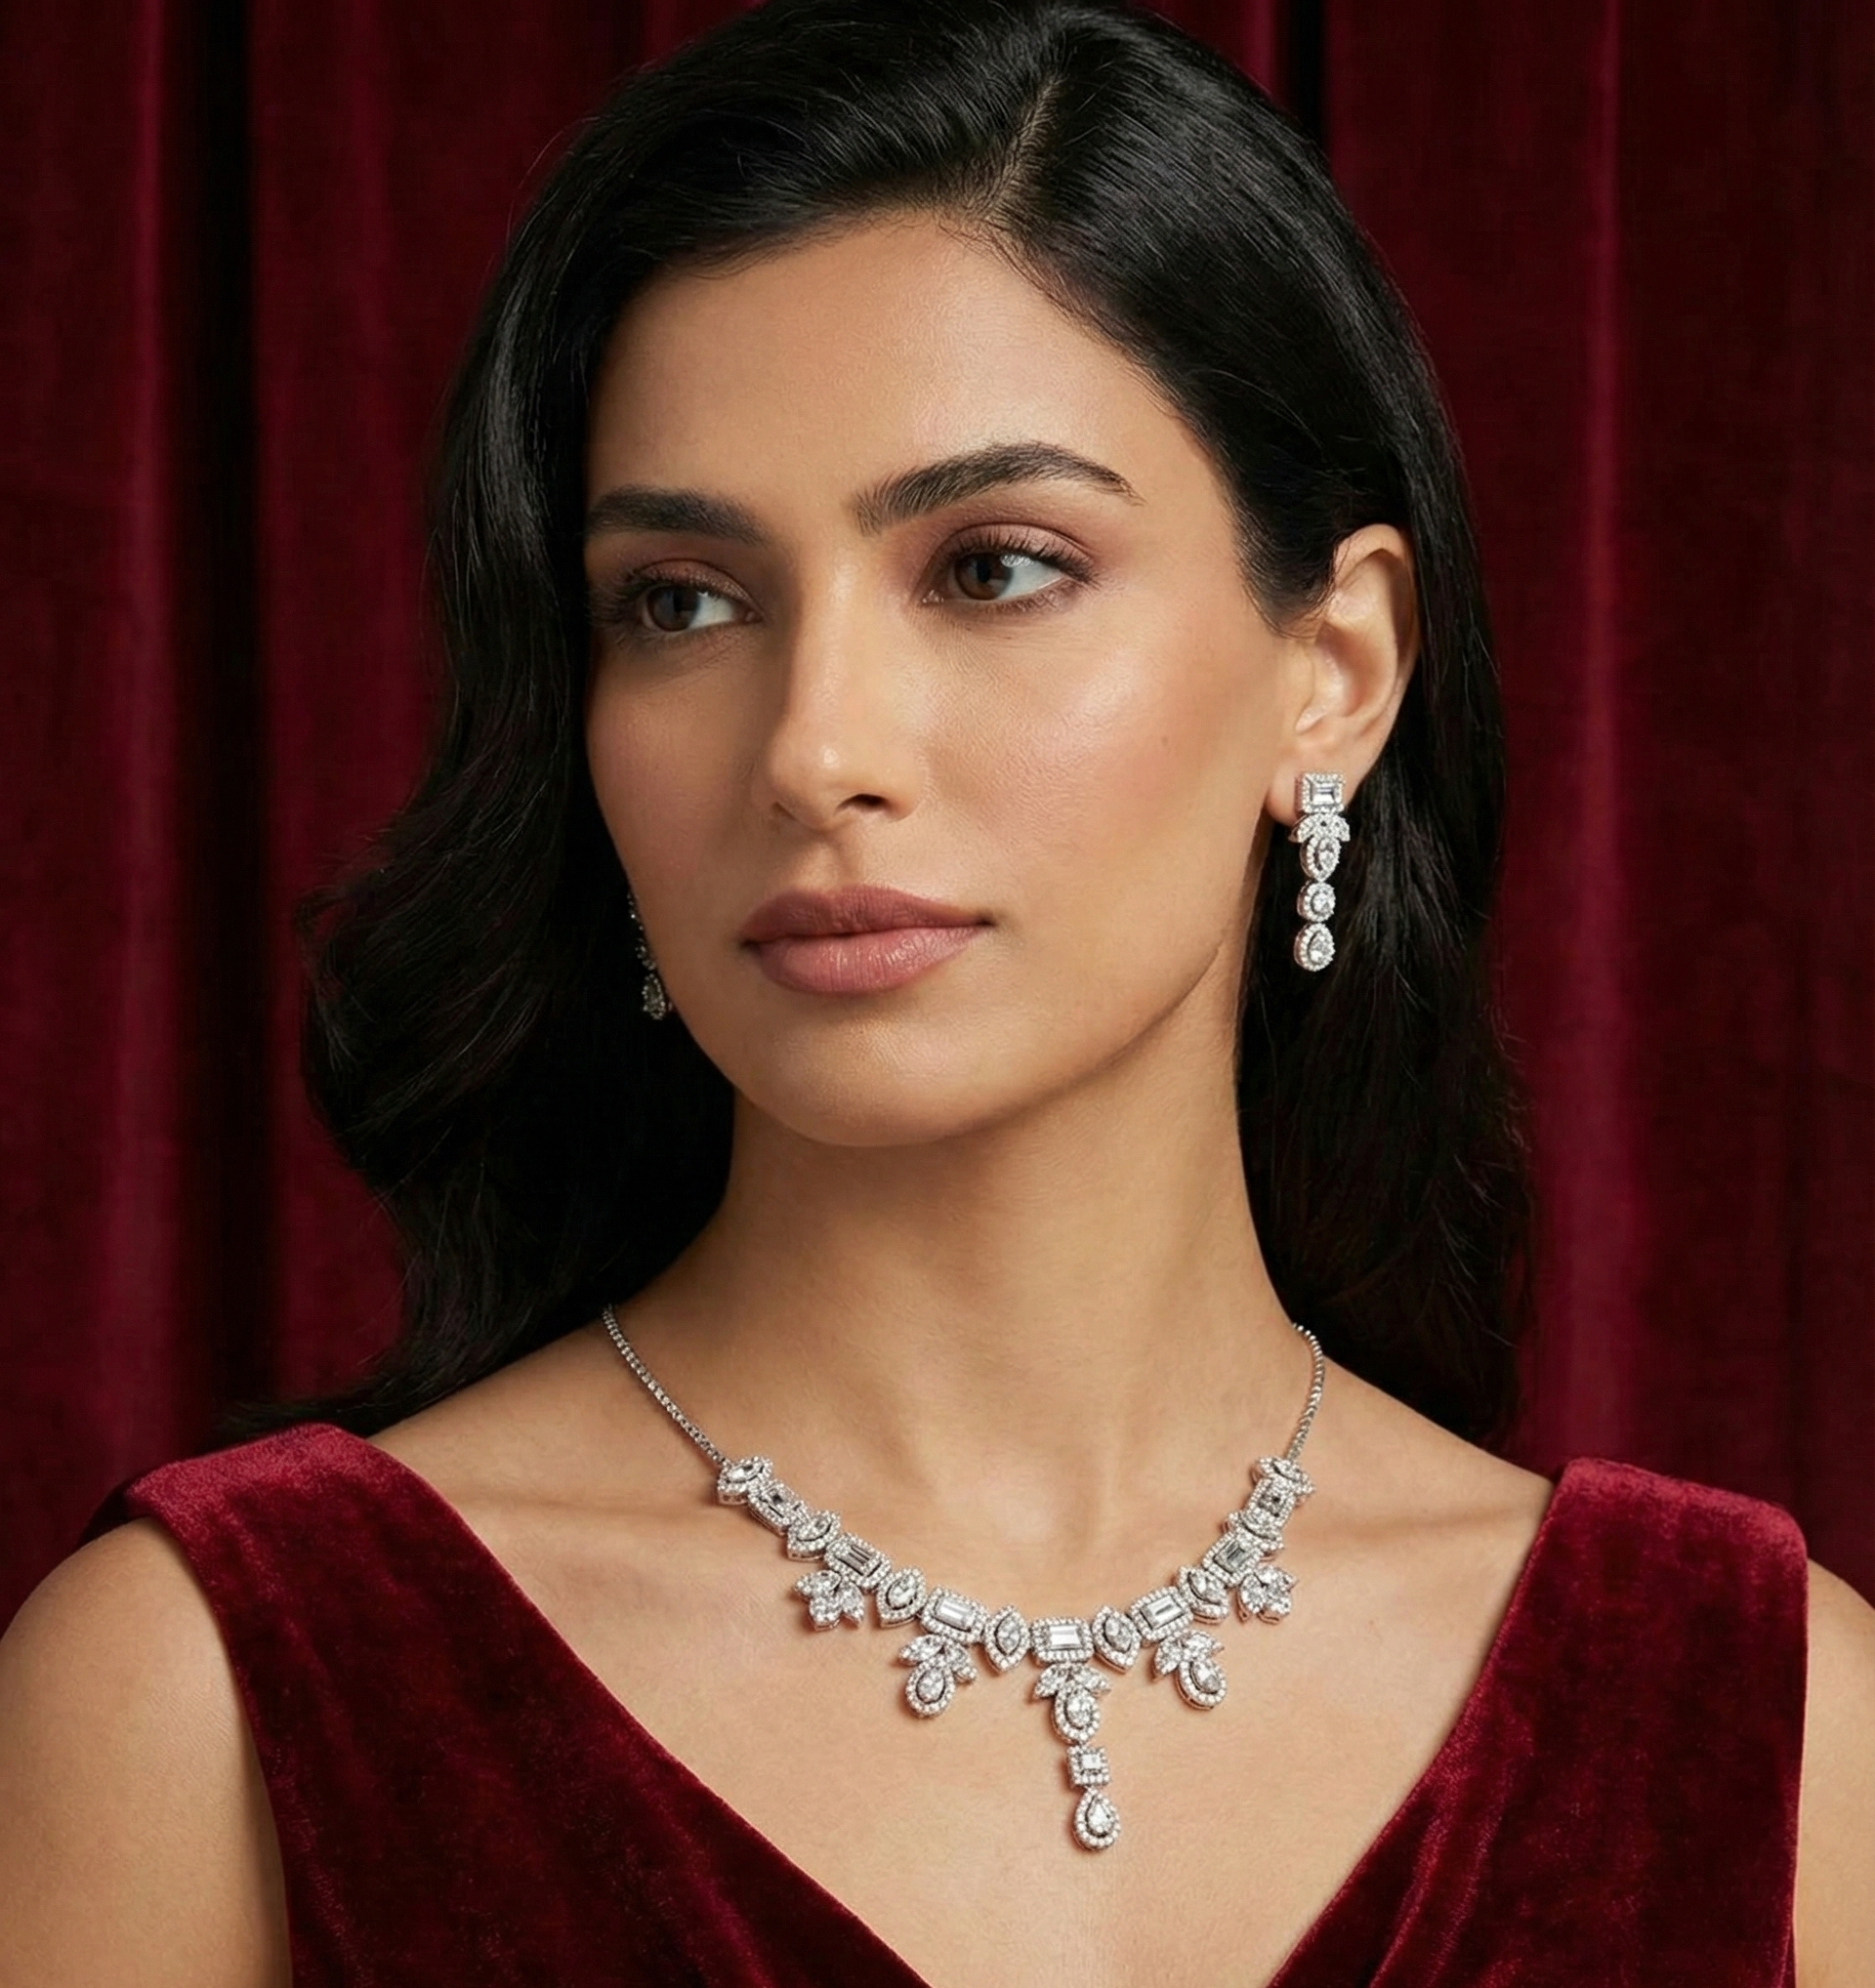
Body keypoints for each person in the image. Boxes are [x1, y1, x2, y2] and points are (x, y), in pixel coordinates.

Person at [1, 0, 1870, 1980]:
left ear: (1335, 668)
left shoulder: (1771, 1733)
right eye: (684, 603)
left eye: (992, 567)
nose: (815, 747)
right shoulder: (209, 1697)